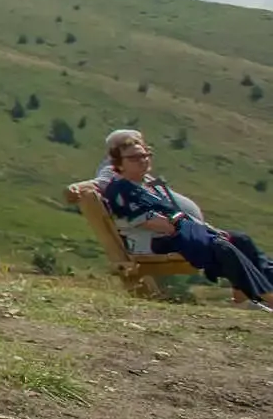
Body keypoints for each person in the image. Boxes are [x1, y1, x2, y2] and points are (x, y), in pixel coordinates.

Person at [95, 129, 273, 312]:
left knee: (240, 239)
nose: (143, 160)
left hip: (177, 231)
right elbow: (160, 224)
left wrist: (205, 228)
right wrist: (196, 229)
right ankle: (265, 295)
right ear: (119, 164)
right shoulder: (122, 190)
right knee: (222, 247)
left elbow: (174, 215)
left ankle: (250, 288)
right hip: (156, 240)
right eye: (134, 158)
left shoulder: (146, 183)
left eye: (145, 155)